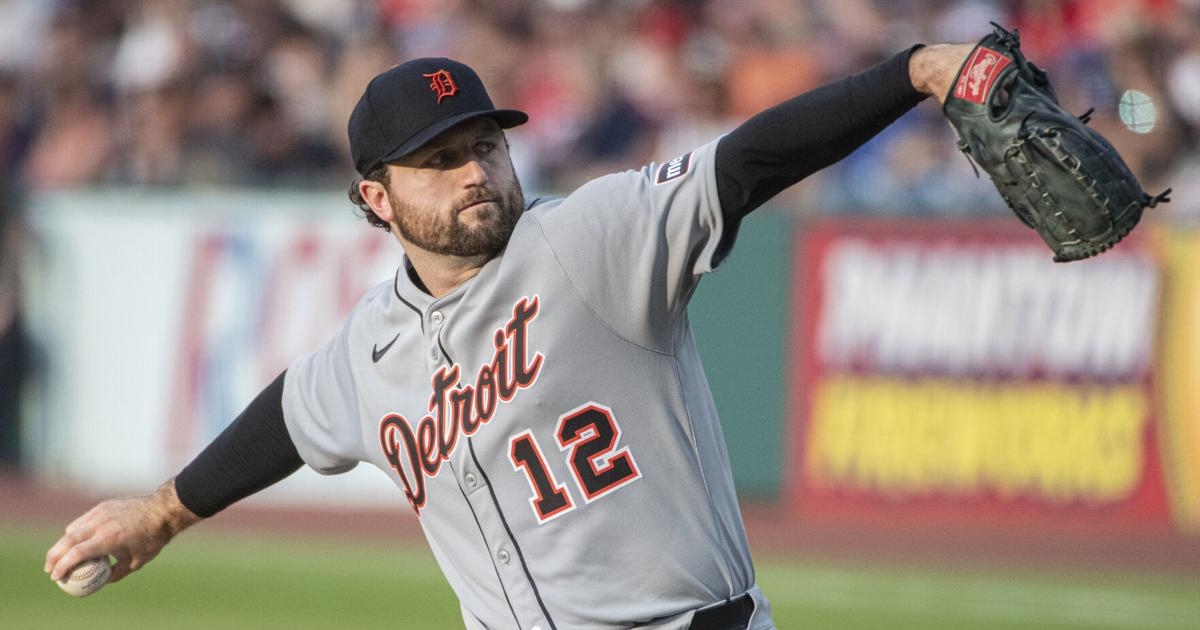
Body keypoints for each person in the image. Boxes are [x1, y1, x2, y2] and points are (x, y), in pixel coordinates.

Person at [45, 37, 974, 628]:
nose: (475, 172)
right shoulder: (373, 347)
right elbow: (288, 417)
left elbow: (748, 162)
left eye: (485, 145)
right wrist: (161, 513)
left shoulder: (588, 240)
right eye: (440, 160)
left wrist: (915, 73)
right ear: (377, 198)